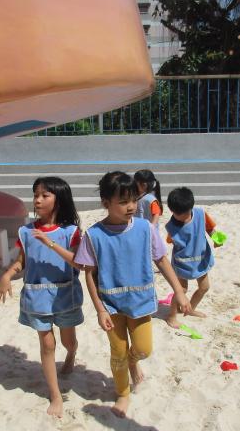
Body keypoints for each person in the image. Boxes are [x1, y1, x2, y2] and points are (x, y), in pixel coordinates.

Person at [74, 171, 191, 418]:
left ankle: (133, 363)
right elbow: (89, 275)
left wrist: (179, 292)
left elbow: (161, 260)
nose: (131, 207)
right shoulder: (94, 235)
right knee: (117, 352)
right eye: (123, 201)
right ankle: (122, 393)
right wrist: (100, 309)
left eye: (133, 200)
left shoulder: (145, 229)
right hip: (111, 305)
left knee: (143, 348)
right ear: (106, 203)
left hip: (140, 303)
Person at [0, 177, 83, 418]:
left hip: (65, 295)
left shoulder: (71, 231)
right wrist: (7, 275)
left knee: (68, 341)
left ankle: (72, 354)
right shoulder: (26, 231)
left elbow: (78, 263)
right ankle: (55, 395)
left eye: (45, 195)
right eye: (35, 195)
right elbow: (22, 261)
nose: (37, 200)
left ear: (59, 199)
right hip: (37, 297)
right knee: (47, 344)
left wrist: (50, 243)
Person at [164, 187, 221, 329]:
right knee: (181, 290)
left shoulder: (200, 214)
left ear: (191, 207)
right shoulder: (171, 226)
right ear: (171, 210)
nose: (183, 217)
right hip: (182, 263)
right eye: (179, 214)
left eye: (186, 213)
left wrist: (216, 239)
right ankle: (171, 315)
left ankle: (190, 309)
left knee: (204, 287)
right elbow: (170, 240)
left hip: (201, 260)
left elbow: (210, 228)